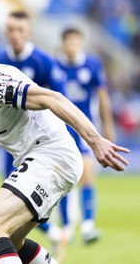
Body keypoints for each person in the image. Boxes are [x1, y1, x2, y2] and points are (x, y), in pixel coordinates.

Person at [0, 52, 129, 264]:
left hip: (51, 155)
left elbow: (52, 98)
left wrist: (95, 141)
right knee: (13, 240)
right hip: (43, 158)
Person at [0, 9, 67, 254]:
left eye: (20, 30)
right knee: (12, 195)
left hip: (39, 141)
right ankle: (52, 235)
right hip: (10, 141)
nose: (15, 35)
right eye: (11, 30)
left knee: (26, 195)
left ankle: (52, 233)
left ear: (29, 32)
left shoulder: (43, 62)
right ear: (5, 32)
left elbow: (59, 99)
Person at [56, 27, 116, 244]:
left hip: (85, 128)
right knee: (63, 178)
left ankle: (88, 225)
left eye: (75, 42)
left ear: (80, 43)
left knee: (87, 174)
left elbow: (102, 97)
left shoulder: (92, 65)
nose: (71, 46)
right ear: (63, 44)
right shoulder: (55, 66)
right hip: (62, 129)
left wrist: (108, 126)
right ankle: (66, 227)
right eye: (68, 42)